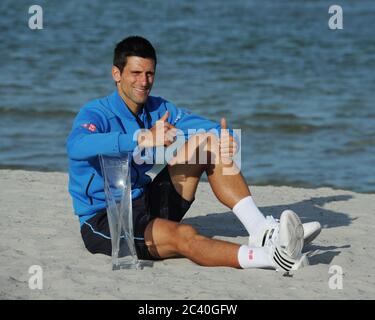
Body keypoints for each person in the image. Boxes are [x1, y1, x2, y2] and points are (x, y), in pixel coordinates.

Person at [67, 36, 321, 271]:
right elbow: (77, 146)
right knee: (184, 235)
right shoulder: (96, 113)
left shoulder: (159, 108)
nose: (143, 82)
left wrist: (228, 140)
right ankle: (273, 258)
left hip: (147, 201)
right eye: (135, 73)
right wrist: (141, 137)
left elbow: (209, 128)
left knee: (209, 142)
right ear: (116, 73)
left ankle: (261, 230)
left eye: (149, 74)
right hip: (106, 219)